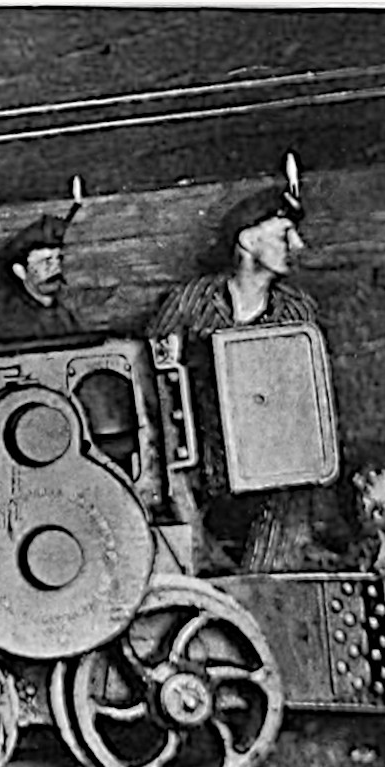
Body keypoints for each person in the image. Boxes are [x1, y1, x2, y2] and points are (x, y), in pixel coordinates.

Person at [146, 177, 320, 572]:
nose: (298, 246)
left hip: (272, 482)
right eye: (284, 235)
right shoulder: (190, 305)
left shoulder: (296, 313)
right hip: (198, 482)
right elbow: (154, 388)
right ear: (247, 241)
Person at [0, 214, 82, 343]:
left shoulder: (64, 315)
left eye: (58, 259)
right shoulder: (9, 325)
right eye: (46, 261)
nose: (56, 268)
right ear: (20, 271)